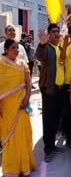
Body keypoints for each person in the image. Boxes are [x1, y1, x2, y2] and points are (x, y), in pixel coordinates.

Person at [0, 39, 36, 176]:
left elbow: (28, 83)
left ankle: (25, 167)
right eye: (13, 47)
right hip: (7, 107)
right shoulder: (1, 65)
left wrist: (27, 99)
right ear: (6, 50)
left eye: (17, 47)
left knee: (24, 133)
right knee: (10, 137)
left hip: (22, 105)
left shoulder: (22, 65)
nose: (16, 50)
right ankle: (11, 169)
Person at [36, 25, 65, 163]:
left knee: (55, 120)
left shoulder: (58, 48)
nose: (57, 34)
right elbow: (40, 56)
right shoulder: (46, 48)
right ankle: (48, 150)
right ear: (48, 35)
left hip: (59, 90)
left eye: (58, 32)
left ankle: (53, 146)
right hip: (49, 90)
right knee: (48, 121)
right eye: (54, 32)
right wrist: (41, 44)